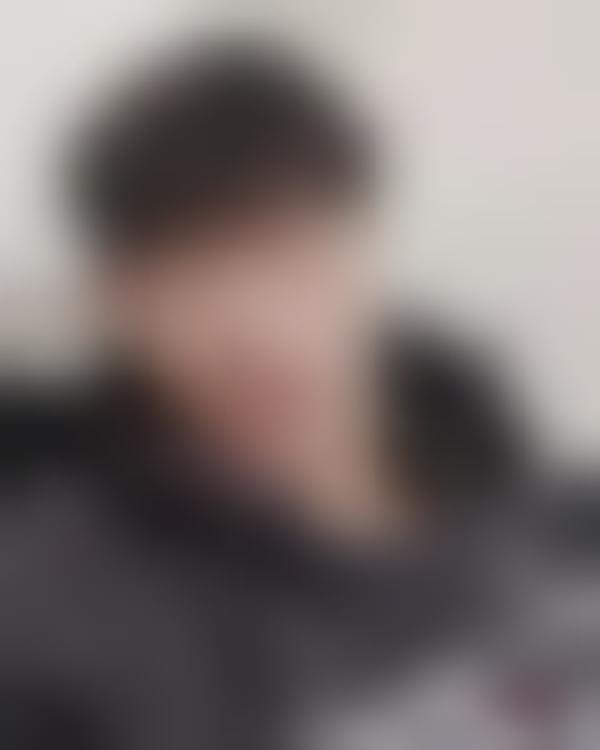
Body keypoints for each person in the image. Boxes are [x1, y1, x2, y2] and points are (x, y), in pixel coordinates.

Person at [1, 42, 595, 749]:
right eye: (188, 278)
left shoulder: (550, 519)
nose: (252, 329)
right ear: (118, 307)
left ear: (359, 249)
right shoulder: (45, 614)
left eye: (283, 253)